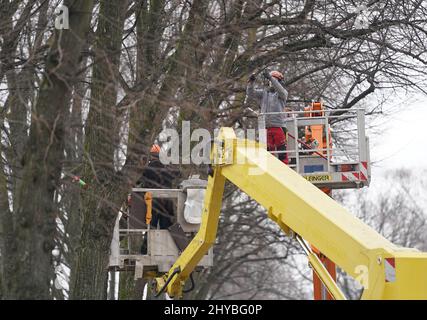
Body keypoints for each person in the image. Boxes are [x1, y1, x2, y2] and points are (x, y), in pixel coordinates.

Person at [246, 69, 289, 164]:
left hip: (278, 126)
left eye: (274, 80)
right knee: (268, 150)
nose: (271, 83)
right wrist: (251, 82)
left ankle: (284, 166)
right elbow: (251, 93)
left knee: (281, 148)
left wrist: (270, 77)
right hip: (266, 127)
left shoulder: (282, 94)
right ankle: (270, 166)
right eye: (270, 80)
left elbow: (281, 90)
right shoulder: (265, 93)